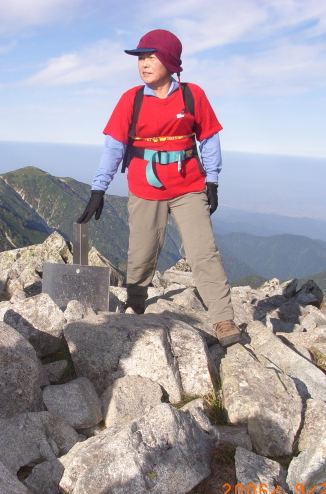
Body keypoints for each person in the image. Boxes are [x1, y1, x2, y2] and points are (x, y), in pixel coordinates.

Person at [76, 29, 242, 347]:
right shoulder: (131, 99)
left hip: (188, 186)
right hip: (144, 187)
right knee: (141, 252)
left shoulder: (192, 95)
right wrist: (99, 189)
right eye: (141, 57)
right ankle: (135, 302)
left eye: (151, 57)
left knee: (203, 251)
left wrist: (212, 180)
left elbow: (209, 138)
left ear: (170, 61)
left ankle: (223, 319)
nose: (143, 63)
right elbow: (113, 147)